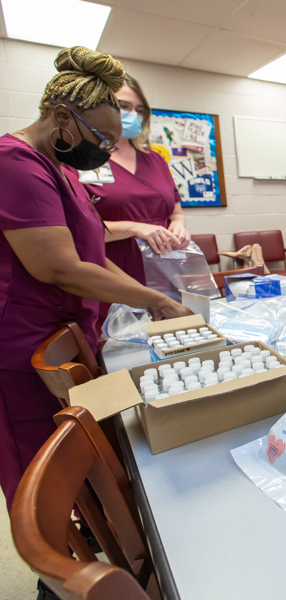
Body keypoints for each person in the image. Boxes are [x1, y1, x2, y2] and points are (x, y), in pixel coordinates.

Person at [0, 46, 191, 516]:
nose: (106, 150)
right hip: (24, 346)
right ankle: (55, 572)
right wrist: (153, 300)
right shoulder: (14, 164)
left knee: (79, 454)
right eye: (101, 138)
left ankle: (87, 524)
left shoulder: (61, 170)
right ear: (62, 116)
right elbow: (58, 267)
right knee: (41, 466)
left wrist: (154, 301)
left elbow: (92, 255)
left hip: (68, 332)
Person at [80, 74, 190, 327]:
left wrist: (179, 225)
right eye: (123, 106)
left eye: (139, 110)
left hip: (165, 271)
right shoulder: (83, 160)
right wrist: (134, 227)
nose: (133, 115)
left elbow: (176, 211)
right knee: (123, 350)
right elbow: (78, 231)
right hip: (113, 274)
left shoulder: (155, 160)